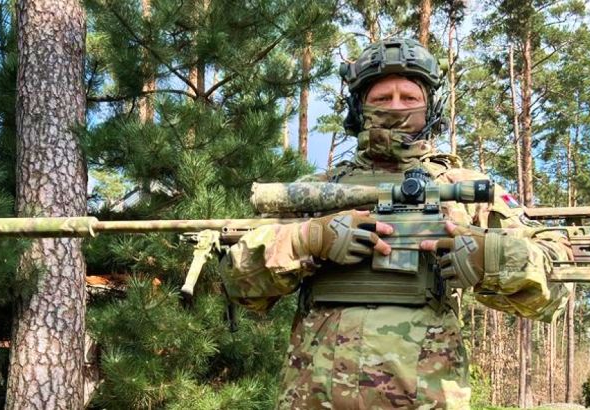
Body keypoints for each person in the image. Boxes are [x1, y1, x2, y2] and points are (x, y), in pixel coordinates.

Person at [219, 38, 572, 409]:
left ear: (430, 105)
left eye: (409, 97)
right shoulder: (318, 192)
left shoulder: (463, 189)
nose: (396, 107)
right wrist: (307, 240)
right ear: (359, 106)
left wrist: (493, 258)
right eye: (382, 97)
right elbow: (238, 284)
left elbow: (556, 288)